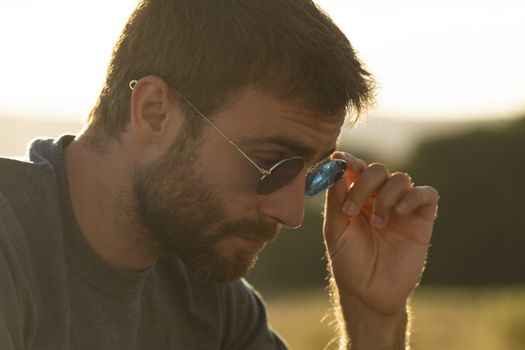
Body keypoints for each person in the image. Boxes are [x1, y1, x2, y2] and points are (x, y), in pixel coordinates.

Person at [0, 0, 439, 349]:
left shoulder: (208, 295)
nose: (291, 214)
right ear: (155, 112)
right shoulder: (12, 246)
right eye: (274, 164)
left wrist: (372, 321)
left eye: (314, 173)